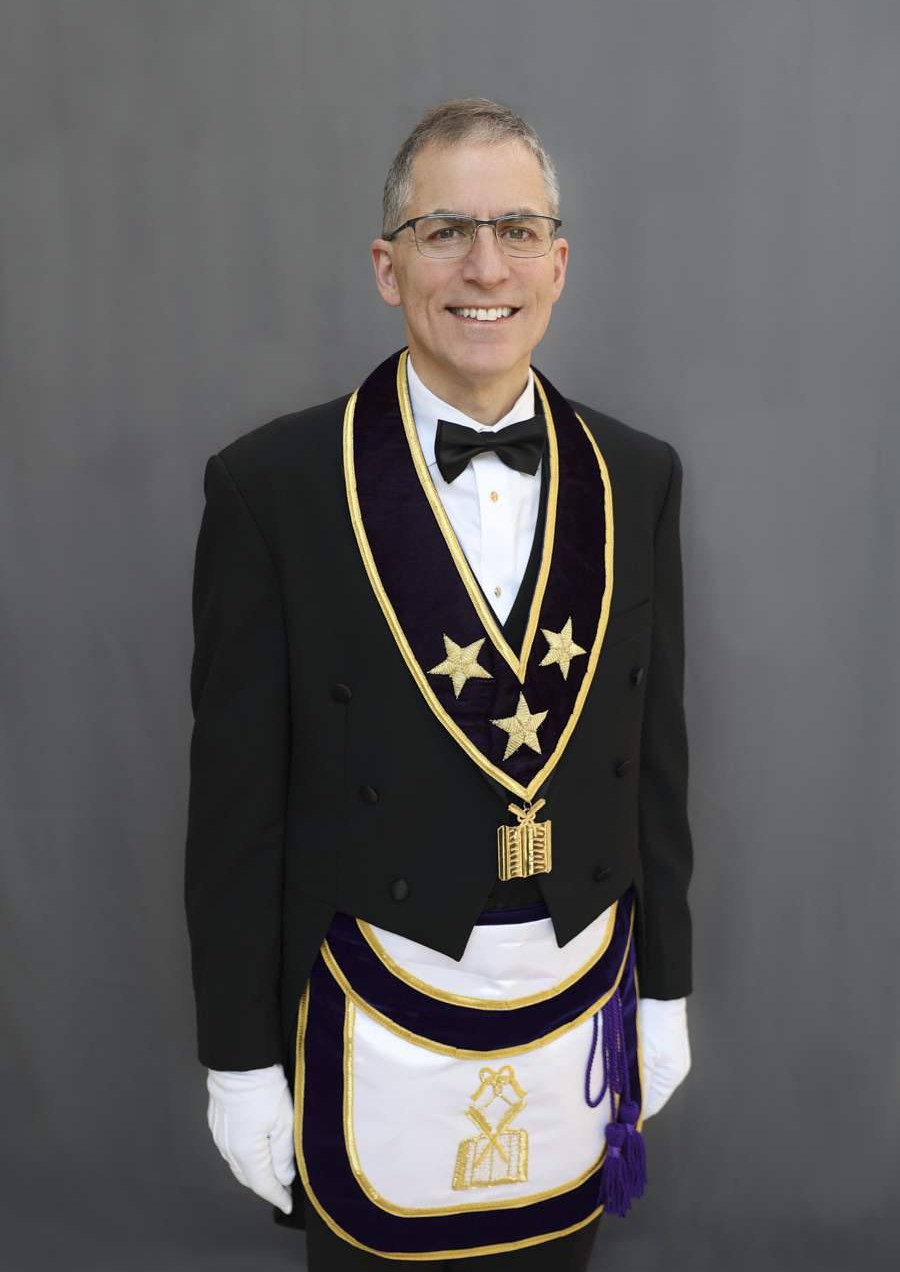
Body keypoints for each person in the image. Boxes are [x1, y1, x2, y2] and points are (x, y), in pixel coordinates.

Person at [186, 99, 693, 1269]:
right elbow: (234, 816)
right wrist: (239, 1061)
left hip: (577, 998)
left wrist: (665, 990)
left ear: (558, 263)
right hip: (367, 1005)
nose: (486, 267)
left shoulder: (639, 476)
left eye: (518, 230)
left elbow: (656, 763)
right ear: (387, 266)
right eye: (445, 230)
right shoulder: (272, 488)